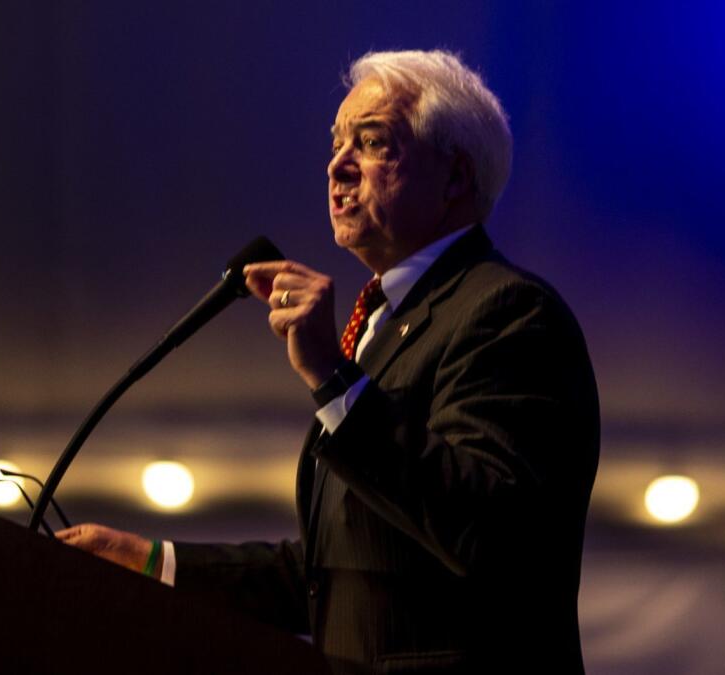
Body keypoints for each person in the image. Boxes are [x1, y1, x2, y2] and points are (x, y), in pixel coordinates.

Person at [57, 49, 600, 674]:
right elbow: (331, 576)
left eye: (373, 143)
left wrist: (334, 377)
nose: (337, 165)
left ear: (454, 177)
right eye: (338, 142)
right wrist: (151, 561)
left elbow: (488, 530)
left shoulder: (509, 313)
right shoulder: (387, 323)